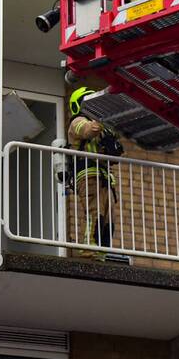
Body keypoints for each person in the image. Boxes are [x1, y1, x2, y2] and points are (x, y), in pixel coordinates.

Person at [65, 86, 123, 257]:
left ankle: (101, 254)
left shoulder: (102, 127)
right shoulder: (77, 122)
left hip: (105, 177)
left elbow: (114, 155)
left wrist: (112, 141)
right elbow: (89, 130)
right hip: (88, 175)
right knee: (94, 211)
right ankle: (88, 249)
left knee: (108, 219)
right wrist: (104, 119)